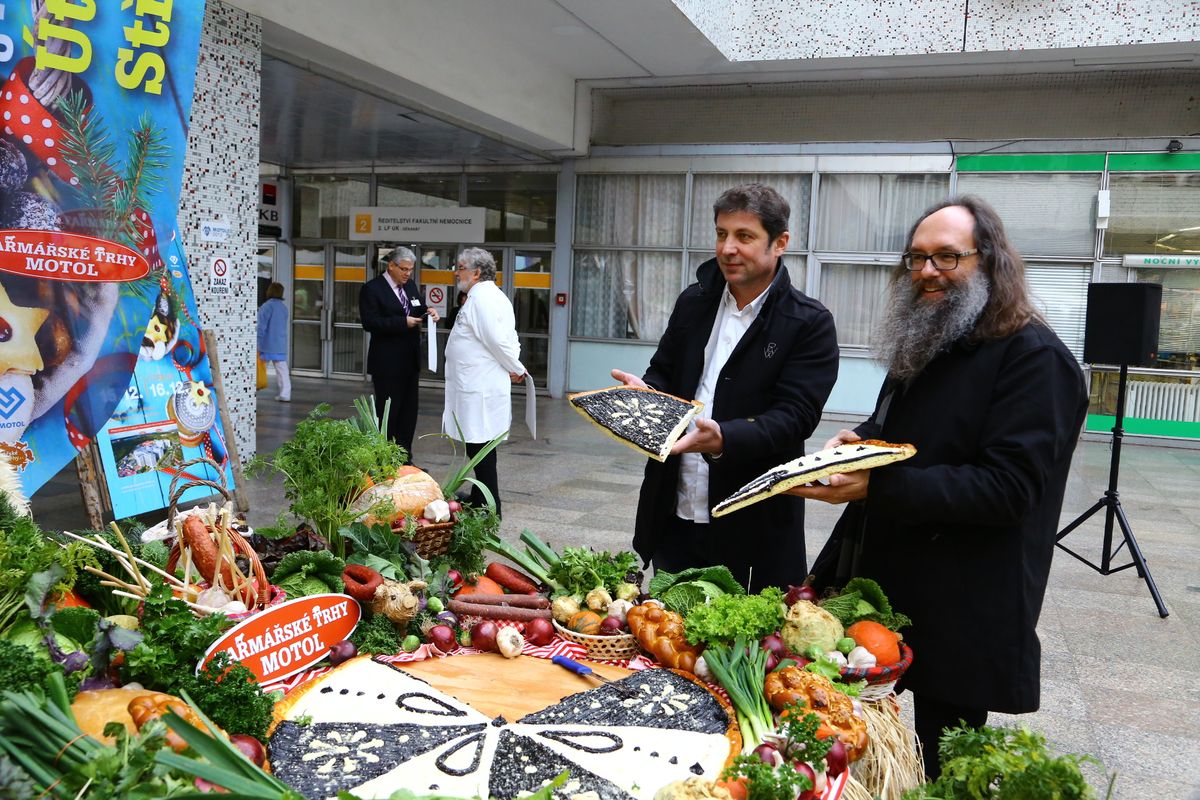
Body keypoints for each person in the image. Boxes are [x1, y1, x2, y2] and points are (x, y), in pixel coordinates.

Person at [793, 196, 1088, 779]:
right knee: (860, 738)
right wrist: (865, 439)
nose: (927, 272)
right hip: (896, 580)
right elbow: (905, 430)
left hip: (964, 597)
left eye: (948, 257)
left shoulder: (1035, 359)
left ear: (990, 261)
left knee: (940, 759)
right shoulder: (934, 336)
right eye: (917, 258)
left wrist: (877, 487)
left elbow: (1009, 489)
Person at [611, 183, 840, 590]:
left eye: (744, 236)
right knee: (670, 638)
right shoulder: (694, 302)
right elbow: (664, 371)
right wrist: (646, 394)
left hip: (752, 520)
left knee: (742, 646)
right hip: (675, 510)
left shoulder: (808, 322)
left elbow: (796, 416)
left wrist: (725, 439)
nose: (727, 248)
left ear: (780, 243)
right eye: (721, 234)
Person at [442, 247, 526, 518]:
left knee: (480, 447)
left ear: (476, 272)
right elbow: (507, 338)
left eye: (461, 267)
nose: (457, 272)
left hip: (478, 388)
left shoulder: (483, 299)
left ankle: (491, 506)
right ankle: (481, 497)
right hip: (475, 386)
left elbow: (497, 340)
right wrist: (515, 364)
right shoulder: (483, 296)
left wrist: (516, 367)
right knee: (478, 445)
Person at [360, 247, 440, 461]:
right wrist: (402, 322)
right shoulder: (372, 289)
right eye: (403, 269)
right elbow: (370, 322)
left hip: (410, 361)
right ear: (391, 266)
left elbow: (416, 308)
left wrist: (428, 310)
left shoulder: (410, 286)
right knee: (388, 414)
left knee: (408, 414)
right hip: (387, 363)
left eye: (410, 270)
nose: (407, 274)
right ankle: (384, 461)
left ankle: (405, 460)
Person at [257, 281, 291, 402]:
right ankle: (285, 394)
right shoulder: (284, 308)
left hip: (266, 344)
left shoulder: (266, 307)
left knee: (259, 368)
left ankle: (252, 390)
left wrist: (257, 342)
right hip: (280, 344)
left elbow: (261, 327)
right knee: (282, 370)